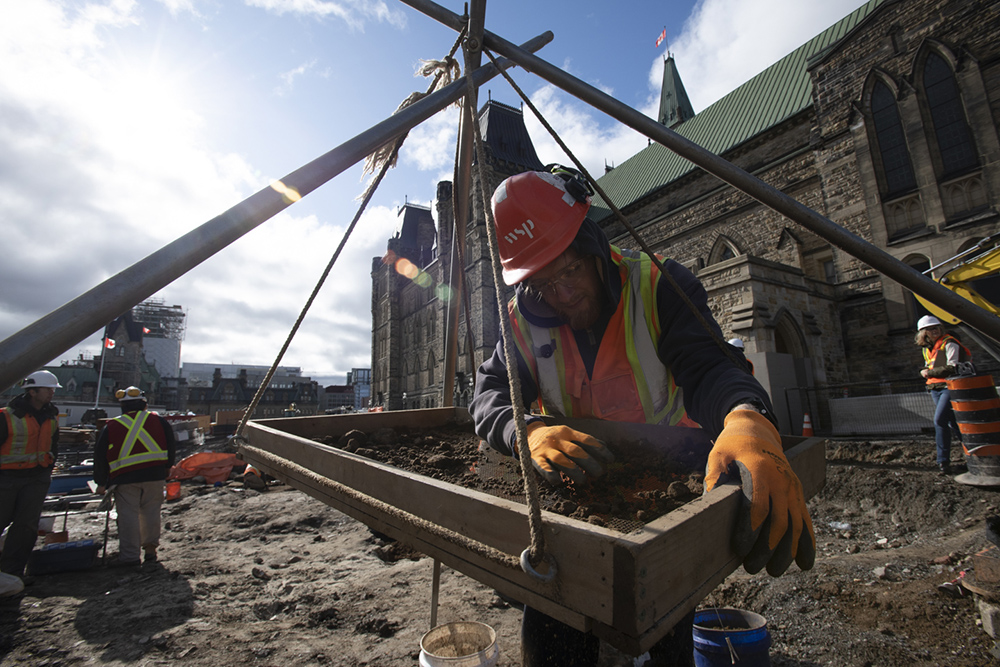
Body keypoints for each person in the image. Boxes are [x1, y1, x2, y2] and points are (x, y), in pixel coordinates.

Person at [470, 167, 815, 667]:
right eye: (545, 283)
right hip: (572, 499)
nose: (563, 296)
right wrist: (524, 431)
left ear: (592, 244)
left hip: (664, 497)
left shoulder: (658, 285)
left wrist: (746, 419)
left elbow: (708, 366)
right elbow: (488, 391)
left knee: (662, 631)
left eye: (570, 272)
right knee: (552, 633)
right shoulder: (520, 318)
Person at [94, 386, 176, 566]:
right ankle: (150, 551)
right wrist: (168, 466)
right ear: (144, 405)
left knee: (128, 516)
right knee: (151, 513)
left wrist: (101, 482)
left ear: (122, 407)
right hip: (154, 475)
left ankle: (130, 557)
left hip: (125, 479)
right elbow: (171, 443)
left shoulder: (112, 426)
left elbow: (99, 456)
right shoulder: (159, 421)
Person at [0, 371, 61, 583]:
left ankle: (12, 573)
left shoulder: (51, 415)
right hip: (7, 478)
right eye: (48, 389)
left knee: (26, 527)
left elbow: (54, 444)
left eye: (53, 389)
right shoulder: (7, 416)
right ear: (32, 391)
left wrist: (47, 468)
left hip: (36, 477)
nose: (51, 393)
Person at [916, 315, 971, 475]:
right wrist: (925, 372)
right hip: (935, 388)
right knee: (954, 423)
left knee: (940, 421)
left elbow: (953, 366)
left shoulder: (949, 342)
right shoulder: (927, 349)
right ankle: (974, 456)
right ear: (923, 332)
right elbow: (930, 365)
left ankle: (943, 461)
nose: (934, 331)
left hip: (950, 386)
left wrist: (929, 372)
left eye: (936, 327)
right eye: (930, 329)